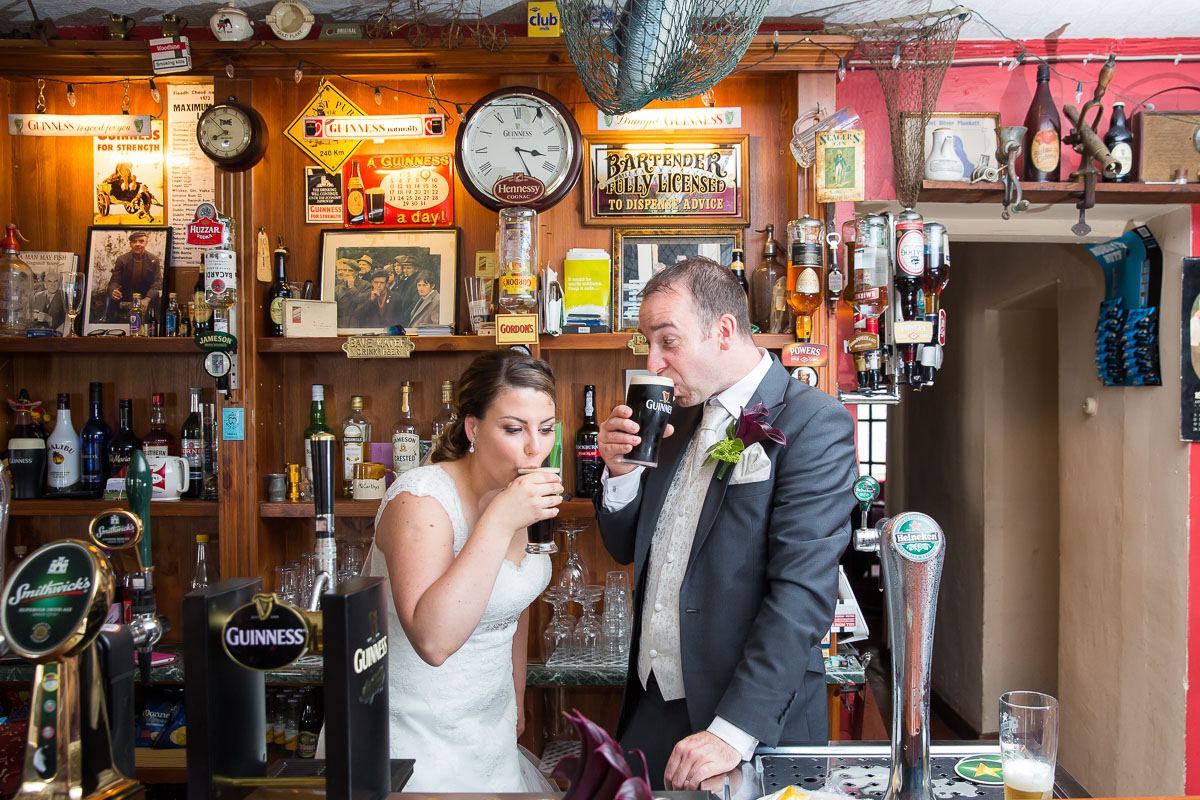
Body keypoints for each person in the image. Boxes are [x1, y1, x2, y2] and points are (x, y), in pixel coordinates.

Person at [595, 256, 857, 790]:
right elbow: (627, 549)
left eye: (668, 341)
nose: (654, 361)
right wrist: (619, 476)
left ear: (724, 330)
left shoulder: (814, 423)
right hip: (650, 706)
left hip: (753, 724)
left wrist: (732, 731)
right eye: (648, 343)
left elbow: (803, 592)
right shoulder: (671, 417)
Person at [341, 350, 562, 792]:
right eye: (514, 429)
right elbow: (433, 641)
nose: (535, 449)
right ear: (473, 429)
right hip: (411, 744)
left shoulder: (519, 495)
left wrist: (516, 700)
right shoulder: (420, 501)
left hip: (489, 737)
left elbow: (512, 604)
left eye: (546, 429)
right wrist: (498, 522)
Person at [100, 231, 162, 323]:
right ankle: (108, 320)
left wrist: (147, 299)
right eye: (134, 241)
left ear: (146, 242)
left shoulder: (153, 259)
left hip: (145, 295)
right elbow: (114, 281)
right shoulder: (122, 260)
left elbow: (157, 282)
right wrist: (114, 291)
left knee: (157, 301)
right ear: (130, 244)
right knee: (108, 296)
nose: (138, 244)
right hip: (127, 294)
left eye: (141, 241)